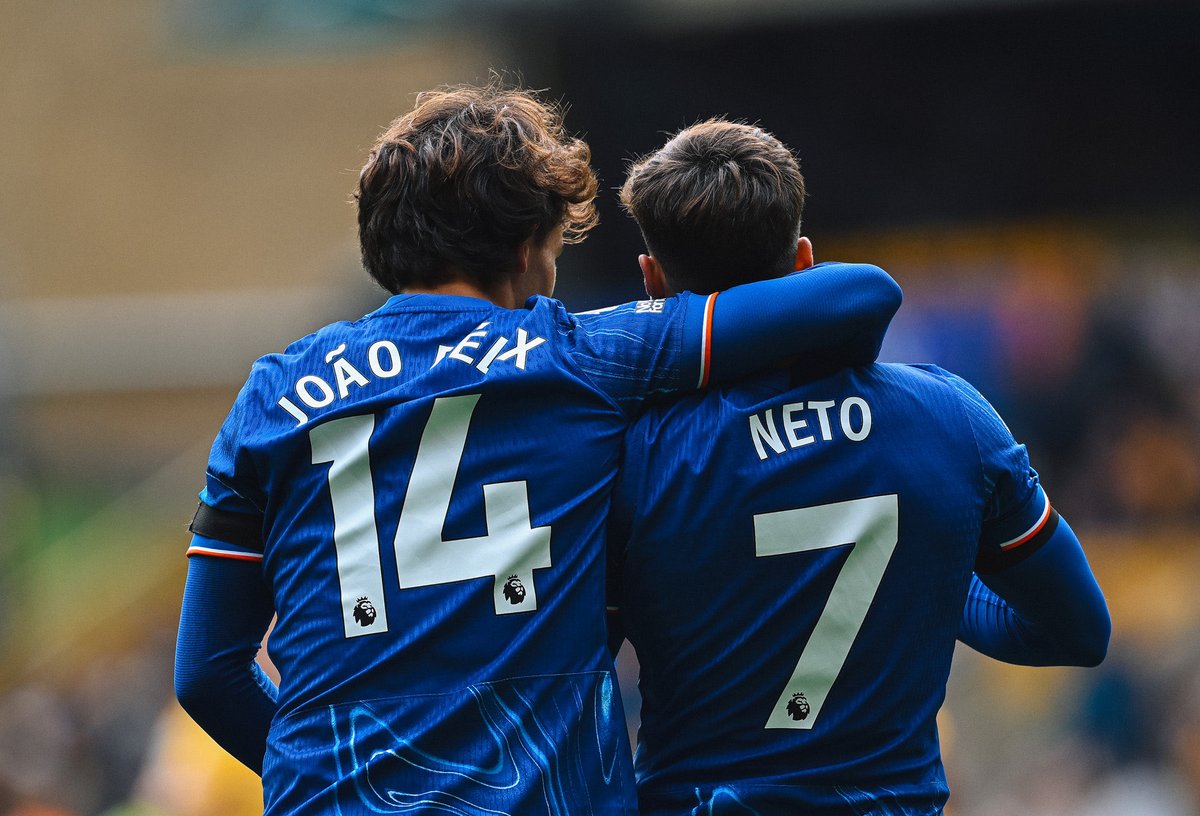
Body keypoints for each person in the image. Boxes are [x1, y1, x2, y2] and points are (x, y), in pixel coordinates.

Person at [172, 86, 903, 816]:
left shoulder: (272, 394)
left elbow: (206, 673)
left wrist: (342, 781)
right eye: (553, 252)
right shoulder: (579, 358)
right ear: (524, 249)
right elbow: (860, 295)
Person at [608, 119, 1112, 816]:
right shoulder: (951, 419)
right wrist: (937, 578)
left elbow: (575, 675)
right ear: (806, 261)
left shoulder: (628, 456)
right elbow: (1078, 631)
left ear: (651, 280)